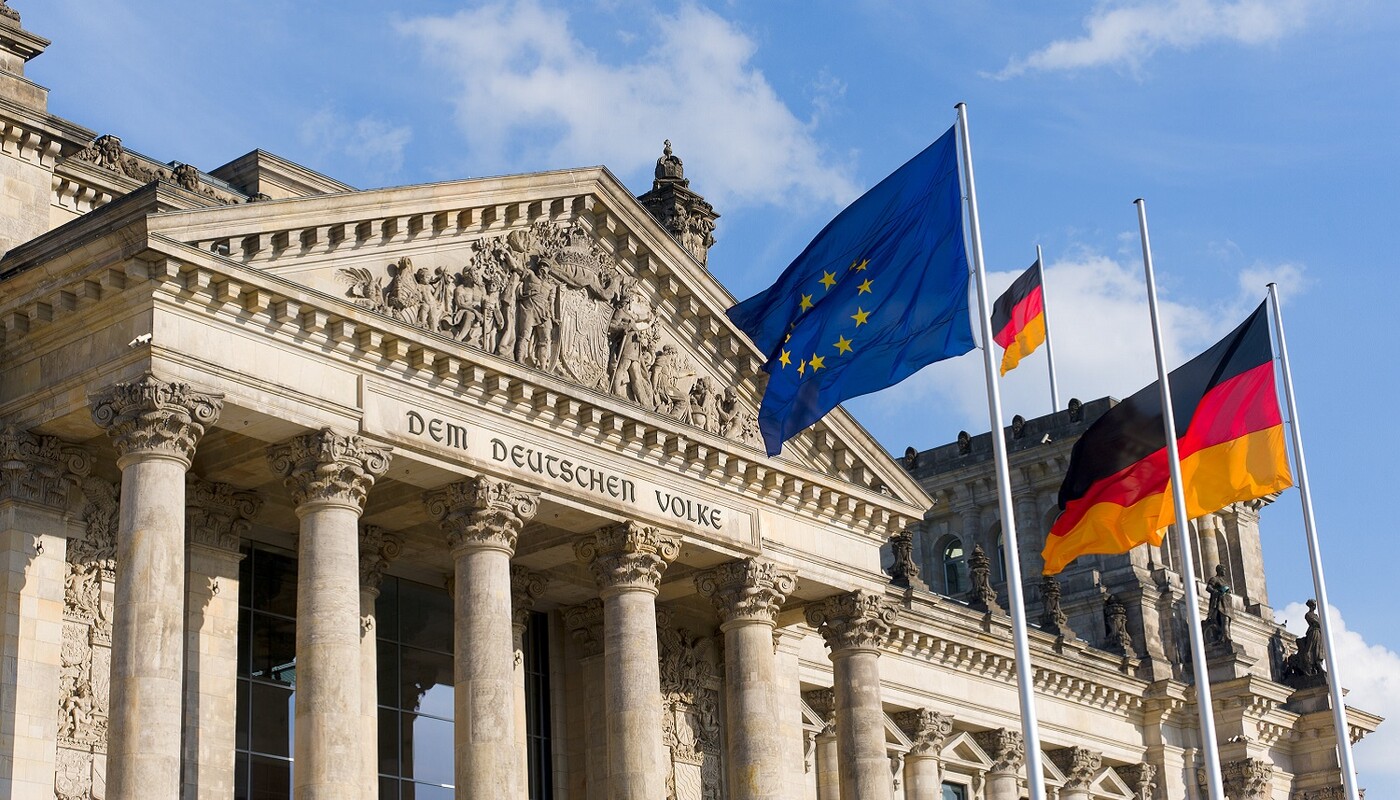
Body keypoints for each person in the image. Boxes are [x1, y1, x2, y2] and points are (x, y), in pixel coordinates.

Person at [1205, 563, 1232, 645]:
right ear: (1219, 570)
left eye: (1225, 570)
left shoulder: (1225, 582)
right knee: (1223, 619)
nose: (1224, 572)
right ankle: (1225, 636)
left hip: (1227, 602)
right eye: (1223, 570)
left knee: (1227, 619)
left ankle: (1225, 635)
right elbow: (1208, 588)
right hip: (1219, 602)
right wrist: (1216, 592)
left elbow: (1229, 591)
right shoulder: (1215, 579)